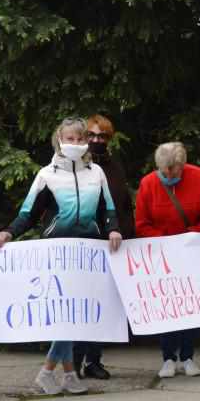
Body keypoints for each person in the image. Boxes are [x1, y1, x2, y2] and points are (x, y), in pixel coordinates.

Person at [0, 117, 123, 396]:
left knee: (77, 316)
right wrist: (9, 232)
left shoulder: (96, 172)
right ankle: (53, 373)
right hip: (56, 252)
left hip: (89, 253)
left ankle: (64, 375)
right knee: (65, 316)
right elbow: (28, 213)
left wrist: (113, 230)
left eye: (79, 139)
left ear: (85, 141)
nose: (75, 143)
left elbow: (109, 209)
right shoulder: (46, 174)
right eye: (69, 139)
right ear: (59, 141)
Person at [135, 142, 200, 379]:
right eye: (164, 169)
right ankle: (168, 357)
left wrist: (192, 234)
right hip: (162, 255)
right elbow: (141, 223)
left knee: (190, 303)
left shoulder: (199, 177)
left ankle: (188, 356)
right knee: (167, 305)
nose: (169, 174)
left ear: (183, 165)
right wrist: (165, 240)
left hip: (192, 252)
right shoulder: (149, 183)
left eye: (174, 169)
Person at [72, 113, 135, 380]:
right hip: (83, 240)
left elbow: (122, 205)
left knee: (102, 303)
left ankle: (93, 360)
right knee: (79, 304)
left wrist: (128, 234)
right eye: (92, 135)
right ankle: (72, 361)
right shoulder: (75, 165)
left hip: (110, 243)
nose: (97, 141)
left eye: (102, 137)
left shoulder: (114, 166)